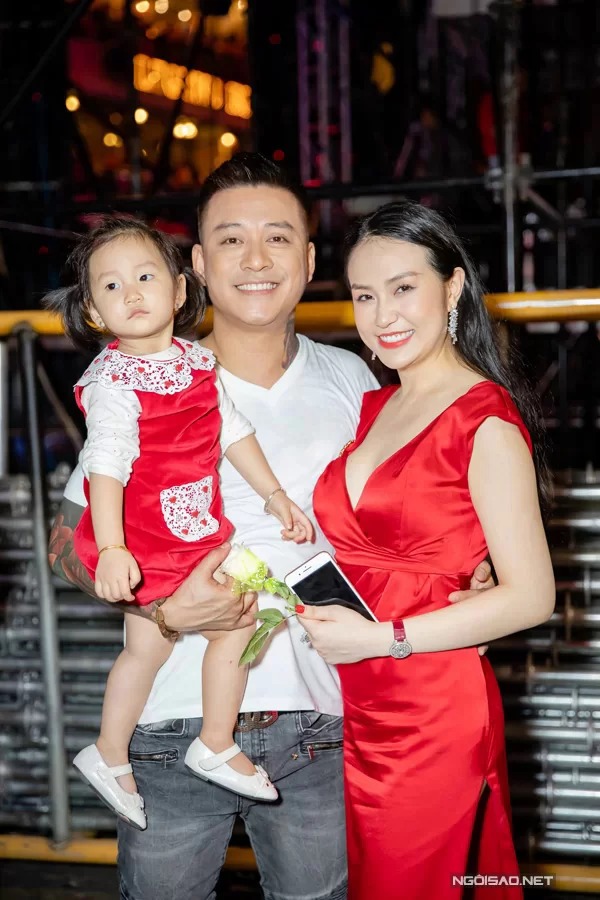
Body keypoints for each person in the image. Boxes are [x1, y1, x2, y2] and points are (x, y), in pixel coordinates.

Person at [49, 153, 492, 900]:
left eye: (278, 238)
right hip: (170, 724)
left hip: (323, 721)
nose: (255, 259)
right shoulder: (144, 378)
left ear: (310, 260)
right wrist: (161, 608)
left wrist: (462, 573)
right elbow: (68, 542)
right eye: (231, 239)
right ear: (195, 265)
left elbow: (400, 521)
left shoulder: (358, 380)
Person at [298, 199, 555, 899]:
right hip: (357, 703)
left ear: (452, 288)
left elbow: (534, 596)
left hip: (431, 710)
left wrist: (383, 638)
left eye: (403, 287)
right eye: (364, 295)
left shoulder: (483, 419)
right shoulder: (376, 406)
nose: (383, 314)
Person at [43, 215, 313, 830]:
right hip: (147, 540)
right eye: (111, 286)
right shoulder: (113, 381)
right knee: (163, 643)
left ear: (179, 290)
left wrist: (273, 495)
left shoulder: (196, 362)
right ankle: (134, 748)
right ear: (93, 310)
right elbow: (106, 465)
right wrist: (113, 547)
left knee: (223, 627)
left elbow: (232, 431)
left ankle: (186, 744)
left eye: (145, 277)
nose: (132, 294)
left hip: (191, 528)